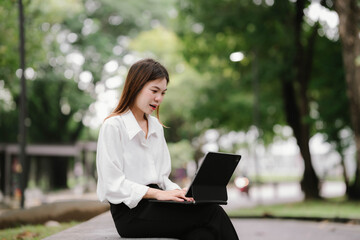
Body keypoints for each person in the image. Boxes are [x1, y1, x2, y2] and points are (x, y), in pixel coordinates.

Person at [96, 58, 239, 239]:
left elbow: (162, 178)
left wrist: (181, 194)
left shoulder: (155, 126)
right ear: (135, 87)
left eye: (163, 93)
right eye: (154, 91)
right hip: (130, 213)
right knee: (212, 212)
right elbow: (112, 184)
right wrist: (159, 194)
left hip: (157, 205)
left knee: (202, 235)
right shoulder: (113, 126)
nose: (159, 98)